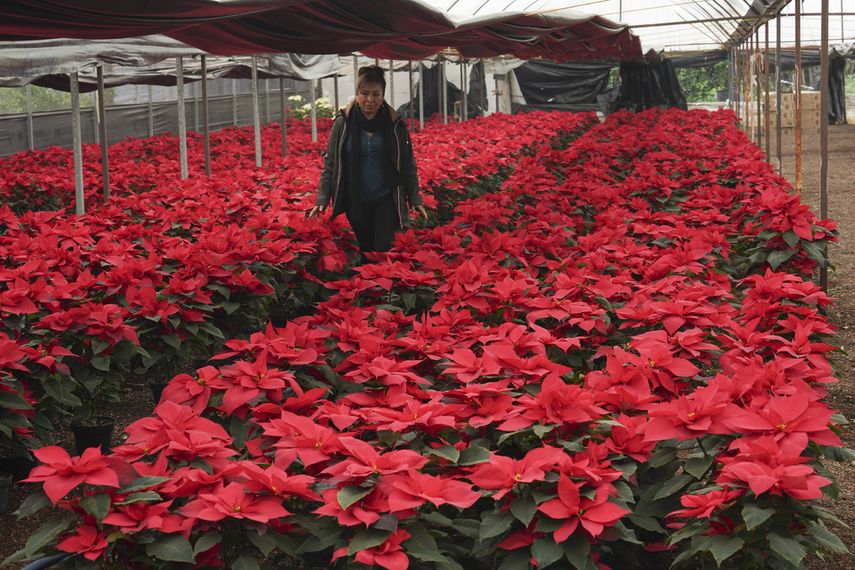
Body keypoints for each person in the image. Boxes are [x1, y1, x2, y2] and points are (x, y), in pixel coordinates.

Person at [308, 65, 427, 261]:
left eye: (376, 94)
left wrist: (415, 198)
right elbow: (330, 162)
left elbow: (407, 164)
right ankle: (368, 290)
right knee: (365, 248)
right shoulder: (343, 123)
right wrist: (322, 198)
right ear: (356, 94)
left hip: (386, 196)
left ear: (383, 95)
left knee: (382, 248)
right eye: (364, 93)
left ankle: (380, 287)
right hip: (356, 197)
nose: (370, 100)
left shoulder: (395, 123)